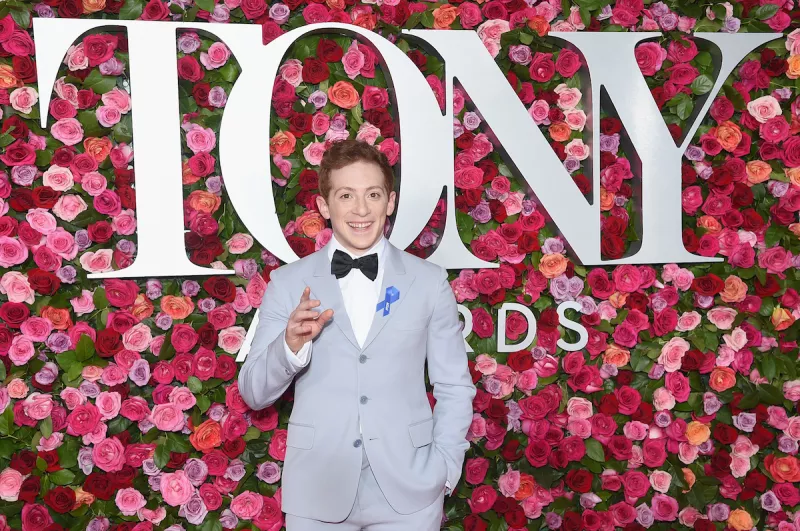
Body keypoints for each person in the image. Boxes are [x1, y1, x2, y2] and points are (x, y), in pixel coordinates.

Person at [238, 138, 476, 530]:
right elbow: (253, 392)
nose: (361, 209)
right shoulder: (287, 283)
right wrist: (290, 346)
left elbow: (454, 385)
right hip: (318, 488)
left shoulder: (429, 282)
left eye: (373, 194)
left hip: (411, 491)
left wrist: (445, 468)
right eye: (346, 195)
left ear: (391, 202)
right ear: (324, 206)